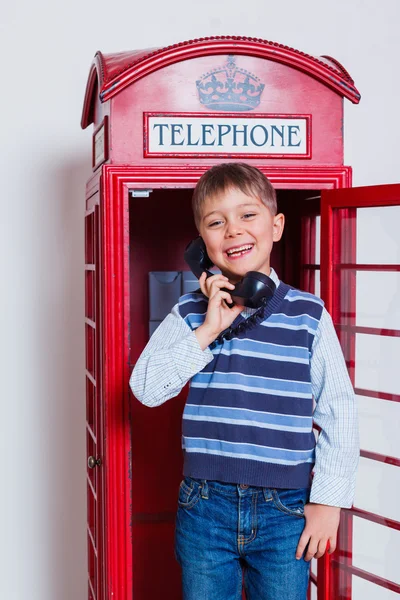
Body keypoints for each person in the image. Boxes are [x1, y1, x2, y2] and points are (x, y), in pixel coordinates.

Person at [129, 163, 359, 600]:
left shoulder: (309, 314)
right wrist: (209, 331)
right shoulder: (190, 314)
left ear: (276, 226)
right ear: (200, 245)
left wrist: (329, 501)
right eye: (217, 222)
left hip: (285, 507)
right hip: (204, 506)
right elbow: (146, 388)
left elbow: (339, 409)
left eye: (247, 215)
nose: (233, 230)